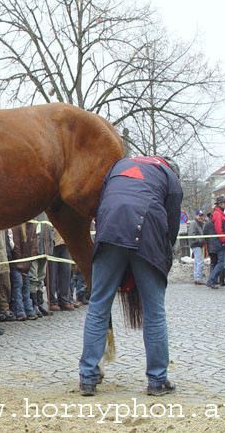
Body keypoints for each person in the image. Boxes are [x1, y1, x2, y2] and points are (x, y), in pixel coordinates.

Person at [79, 156, 182, 397]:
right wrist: (163, 259)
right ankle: (157, 379)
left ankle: (88, 378)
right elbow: (172, 224)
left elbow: (103, 202)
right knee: (154, 310)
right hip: (148, 231)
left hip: (109, 230)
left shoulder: (118, 165)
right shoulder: (170, 178)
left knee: (98, 303)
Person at [205, 196, 225, 289]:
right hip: (221, 243)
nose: (224, 204)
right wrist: (224, 240)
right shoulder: (218, 214)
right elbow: (218, 229)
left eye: (224, 202)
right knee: (221, 263)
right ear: (218, 204)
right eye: (222, 203)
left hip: (224, 242)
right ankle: (210, 281)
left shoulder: (220, 213)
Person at [10, 222, 38, 321]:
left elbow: (34, 247)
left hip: (26, 263)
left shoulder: (33, 226)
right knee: (18, 287)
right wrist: (21, 264)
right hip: (17, 263)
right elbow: (15, 246)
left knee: (26, 287)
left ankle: (29, 310)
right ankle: (20, 311)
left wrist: (28, 263)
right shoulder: (16, 226)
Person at [49, 228, 74, 311]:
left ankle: (63, 300)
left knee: (66, 272)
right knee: (52, 275)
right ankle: (52, 301)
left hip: (66, 241)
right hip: (52, 241)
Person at [188, 210, 206, 285]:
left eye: (201, 215)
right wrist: (200, 240)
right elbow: (192, 235)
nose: (200, 217)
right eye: (199, 215)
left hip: (199, 245)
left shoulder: (200, 224)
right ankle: (198, 278)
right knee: (200, 262)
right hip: (196, 244)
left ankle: (197, 278)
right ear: (196, 215)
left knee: (197, 262)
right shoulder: (194, 223)